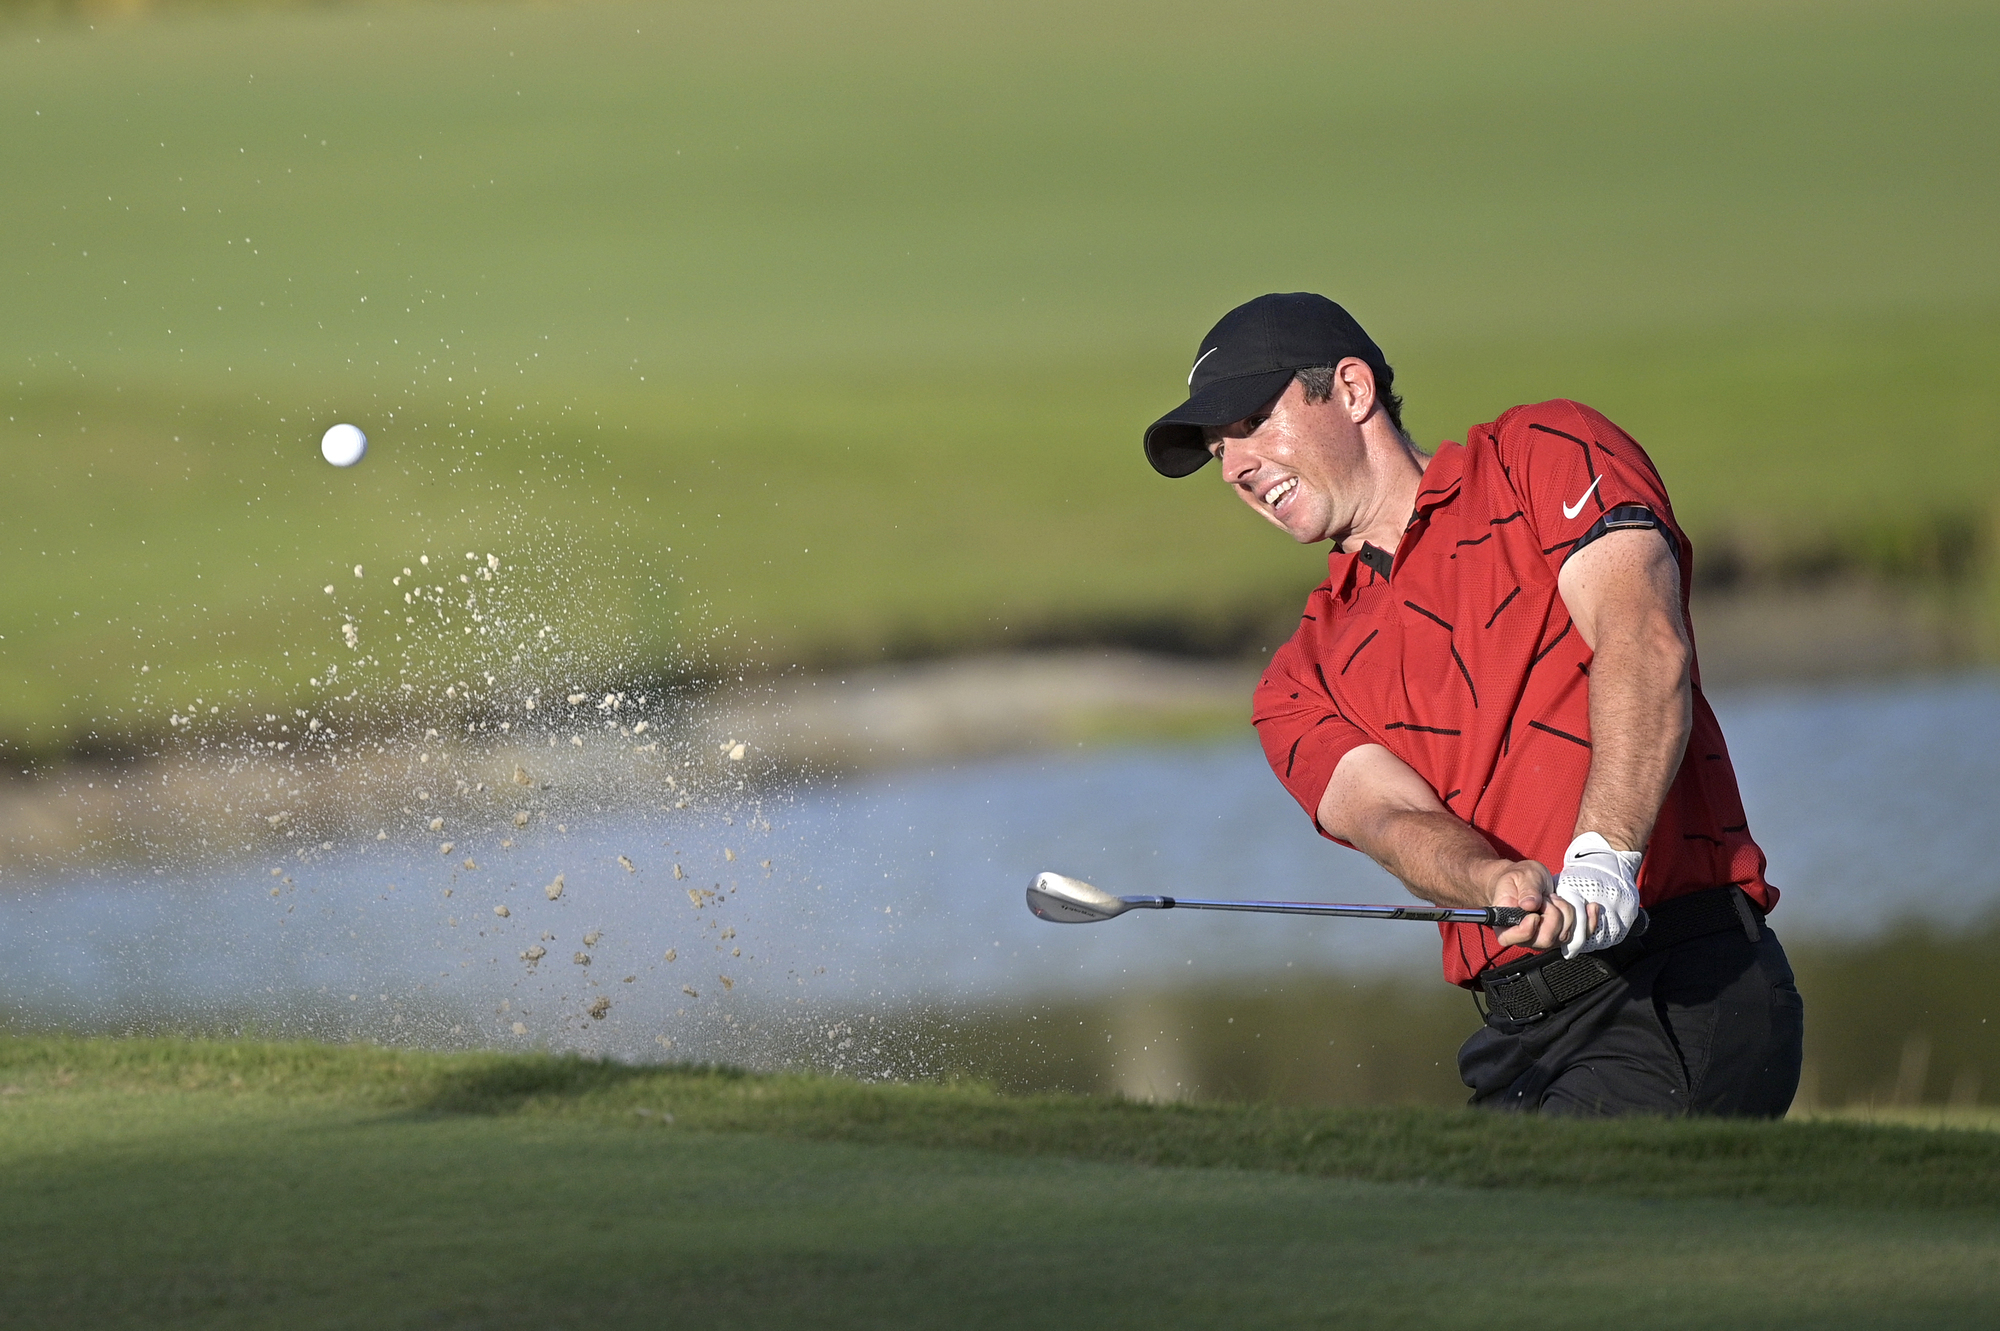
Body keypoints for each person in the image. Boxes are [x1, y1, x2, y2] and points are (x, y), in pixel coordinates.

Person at [1142, 292, 1804, 1116]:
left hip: (1678, 984)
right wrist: (1487, 876)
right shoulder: (1297, 682)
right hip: (1515, 1035)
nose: (1234, 466)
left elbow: (1641, 637)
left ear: (1351, 389)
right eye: (1219, 450)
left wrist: (1606, 856)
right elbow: (1390, 820)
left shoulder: (1542, 456)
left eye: (1250, 423)